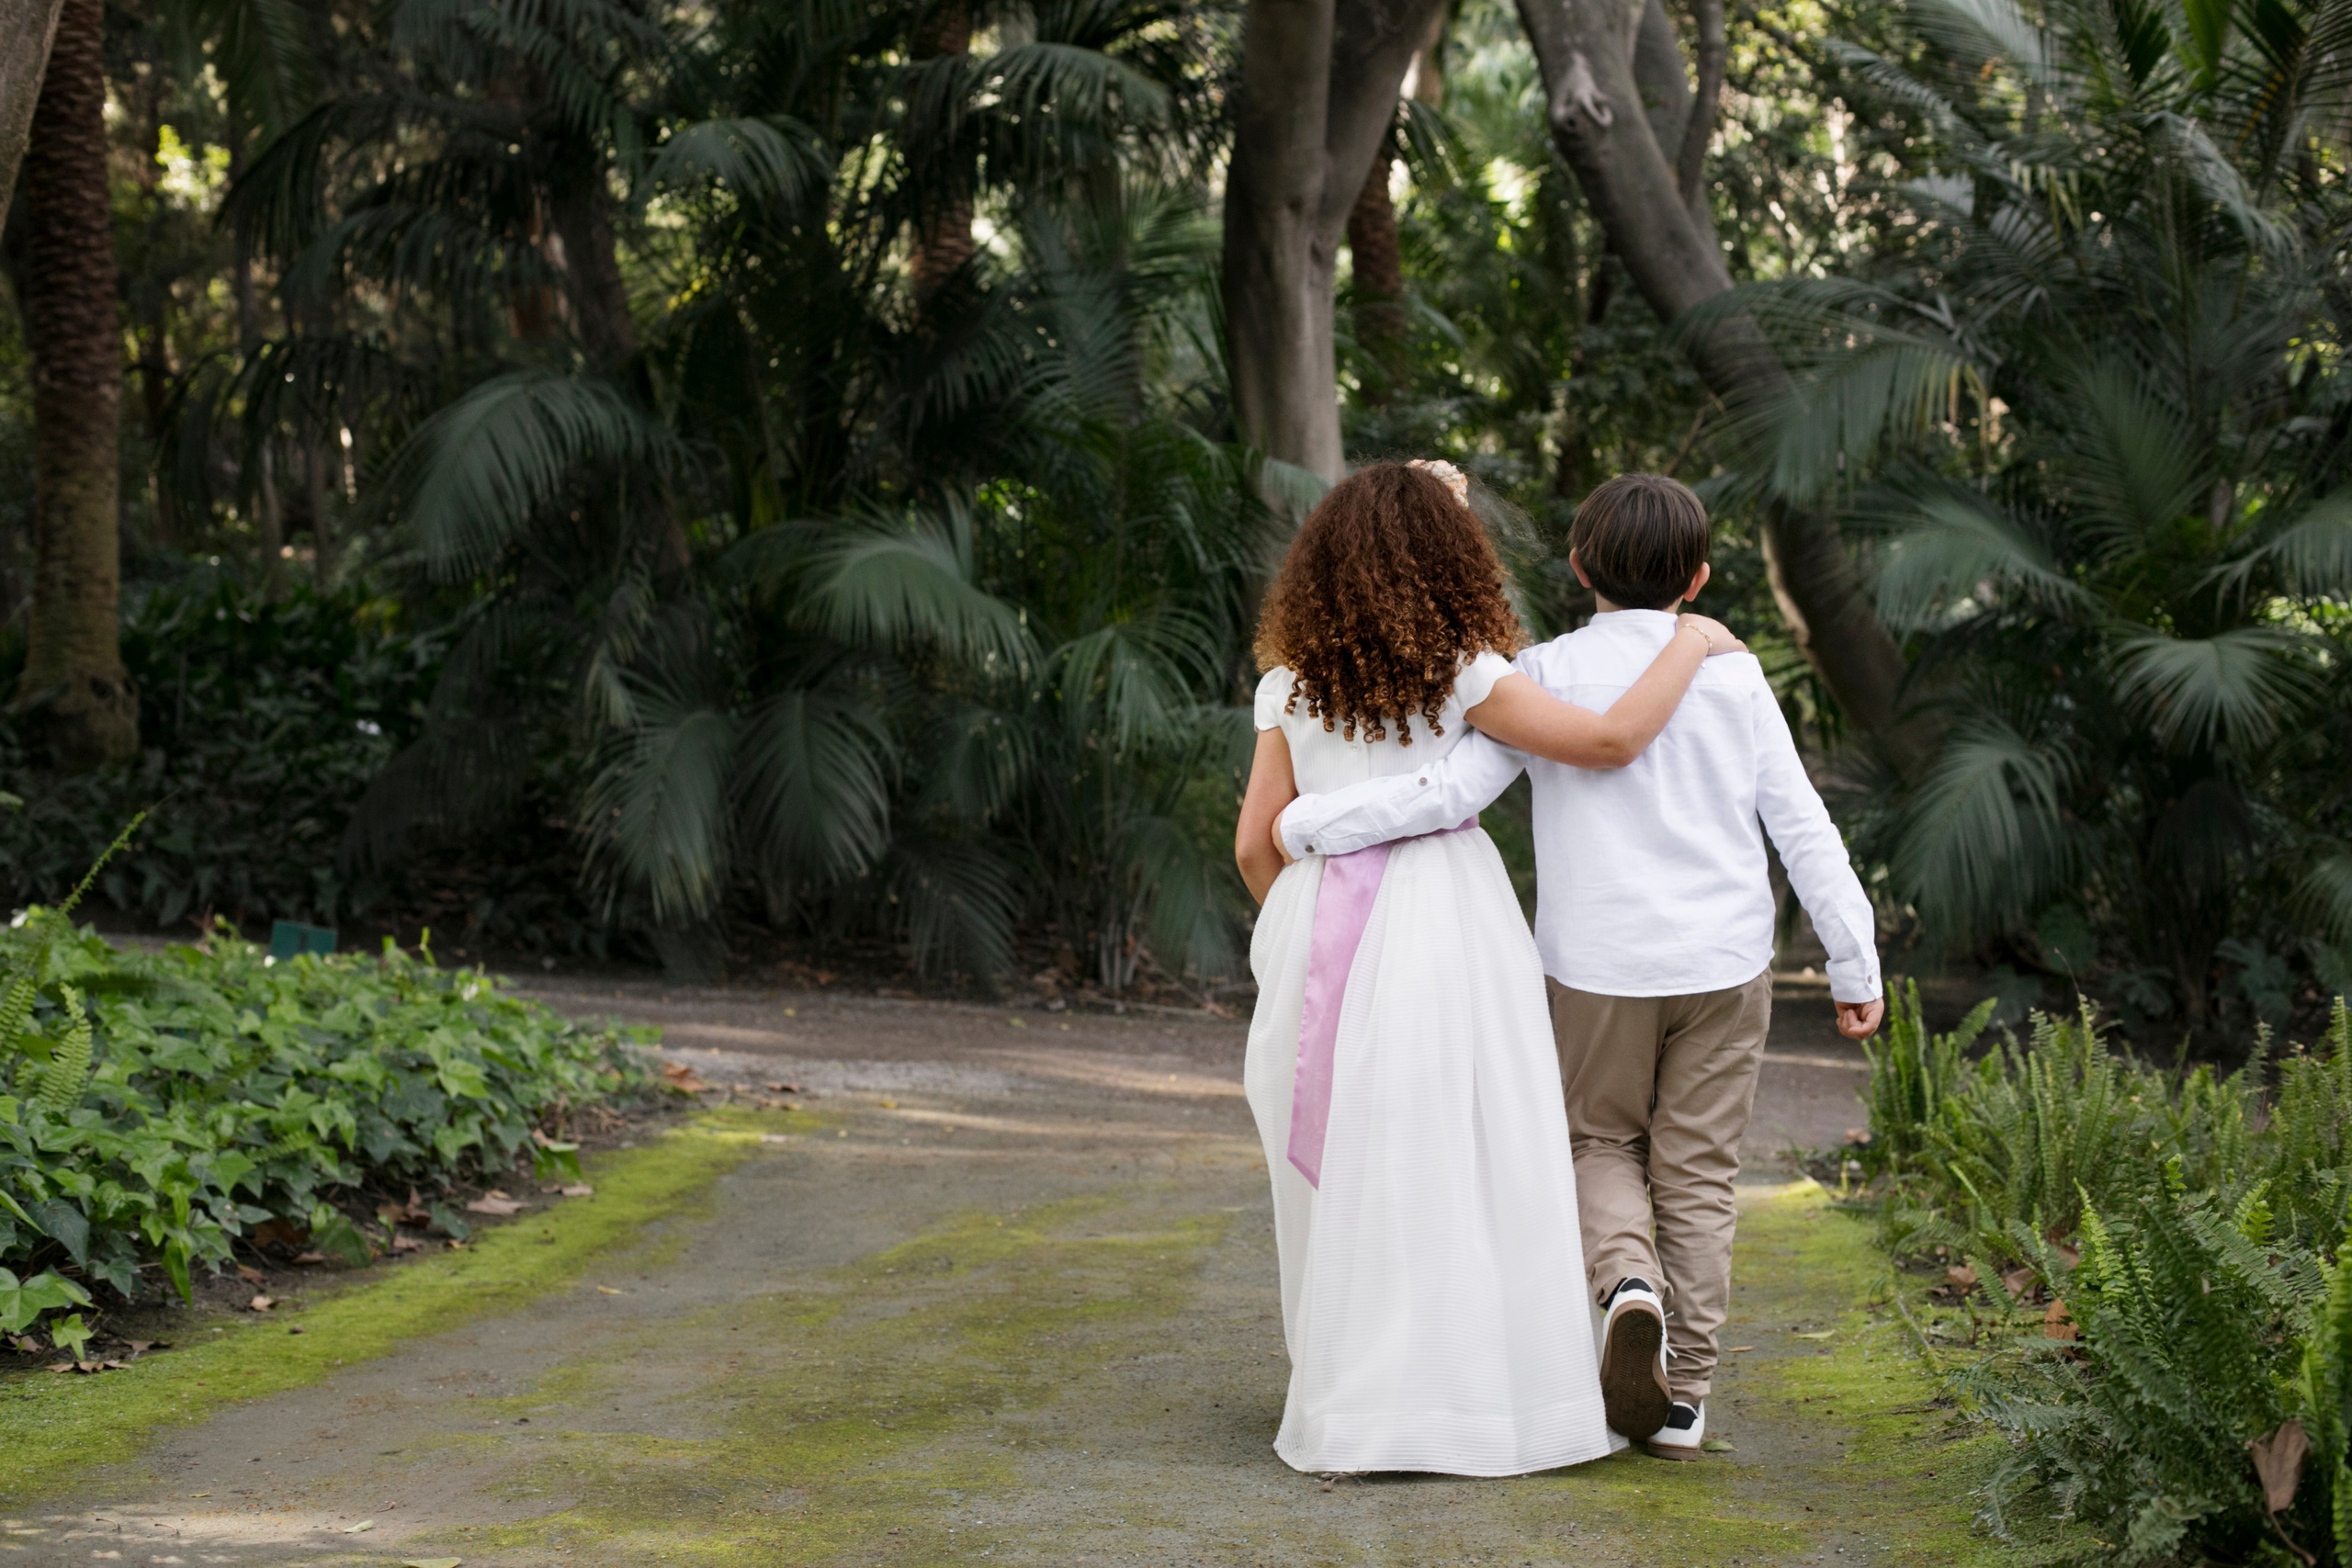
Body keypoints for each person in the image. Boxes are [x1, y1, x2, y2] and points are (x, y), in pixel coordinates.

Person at [1275, 472, 1885, 1462]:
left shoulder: (1543, 671)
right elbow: (1802, 827)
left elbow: (1446, 794)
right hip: (1724, 964)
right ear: (1696, 578)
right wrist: (1854, 961)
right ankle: (1683, 1396)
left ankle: (1623, 1283)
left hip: (1596, 966)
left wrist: (1308, 823)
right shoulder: (1731, 672)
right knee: (1699, 1172)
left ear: (1573, 566)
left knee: (1596, 1145)